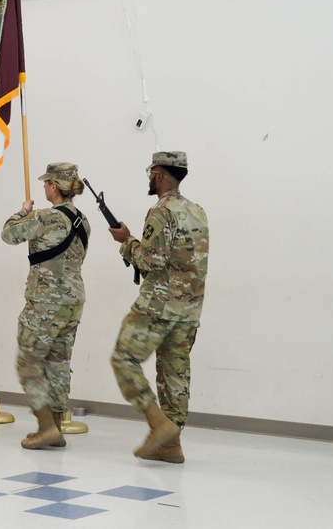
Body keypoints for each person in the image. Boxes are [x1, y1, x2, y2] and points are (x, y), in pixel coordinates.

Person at [108, 151, 209, 464]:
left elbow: (151, 262)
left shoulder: (161, 212)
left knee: (123, 359)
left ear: (161, 175)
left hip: (158, 306)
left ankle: (159, 425)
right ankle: (171, 445)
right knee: (174, 373)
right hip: (189, 309)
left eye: (152, 171)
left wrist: (126, 241)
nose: (149, 177)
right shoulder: (198, 211)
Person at [1, 162, 90, 449]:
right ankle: (56, 427)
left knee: (28, 363)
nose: (43, 187)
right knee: (59, 364)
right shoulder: (83, 221)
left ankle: (45, 427)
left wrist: (23, 211)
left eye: (45, 183)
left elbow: (8, 234)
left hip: (45, 303)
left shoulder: (45, 217)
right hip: (73, 301)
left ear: (53, 186)